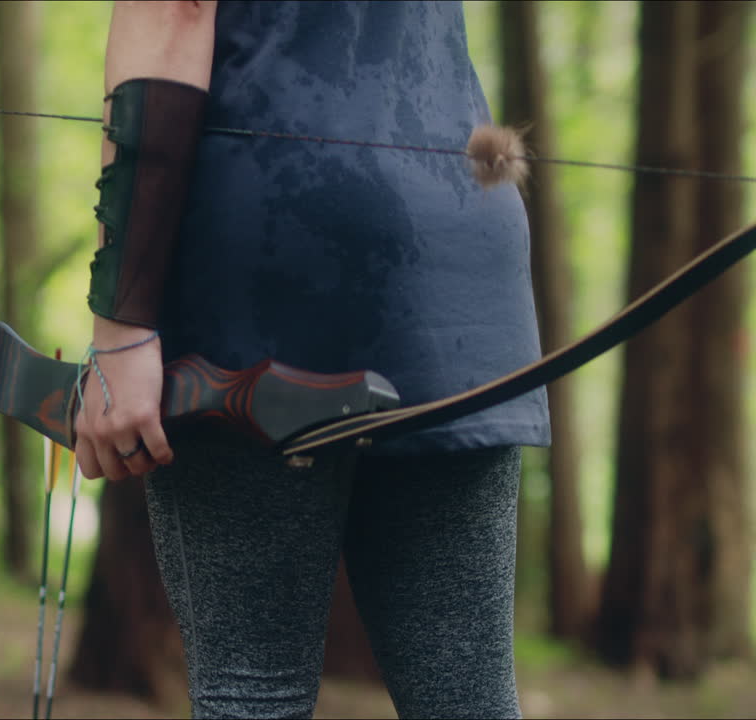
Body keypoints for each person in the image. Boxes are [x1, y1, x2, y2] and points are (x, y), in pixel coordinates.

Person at [72, 2, 550, 719]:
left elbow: (174, 12)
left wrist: (122, 323)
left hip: (276, 248)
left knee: (251, 695)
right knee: (467, 705)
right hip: (461, 245)